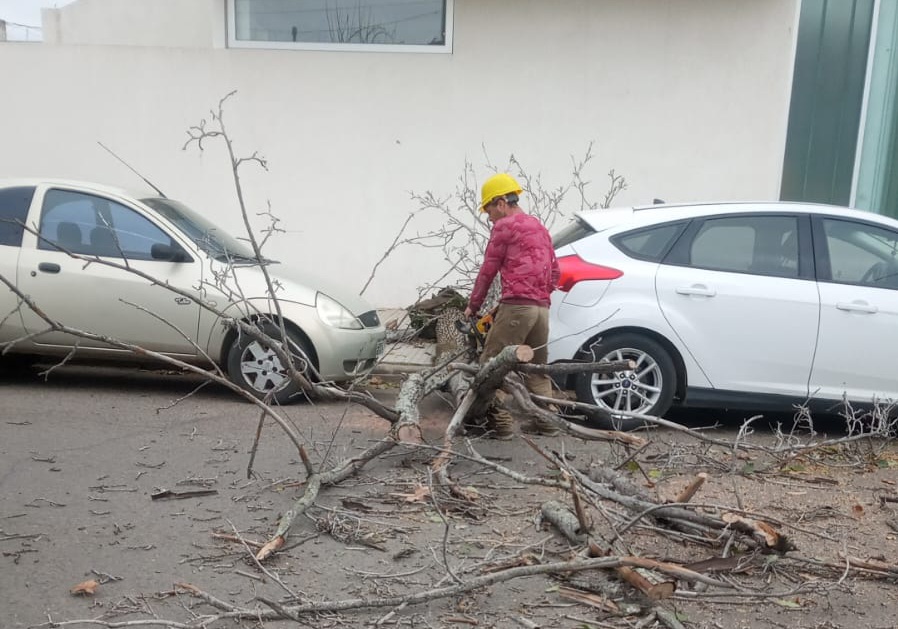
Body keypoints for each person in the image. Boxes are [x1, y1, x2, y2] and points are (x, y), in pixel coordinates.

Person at [464, 173, 561, 438]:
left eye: (489, 210)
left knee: (490, 366)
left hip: (518, 307)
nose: (490, 217)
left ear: (501, 202)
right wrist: (537, 296)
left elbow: (488, 269)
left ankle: (501, 423)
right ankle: (547, 422)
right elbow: (555, 272)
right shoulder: (539, 227)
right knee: (537, 369)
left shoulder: (505, 227)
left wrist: (473, 305)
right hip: (541, 309)